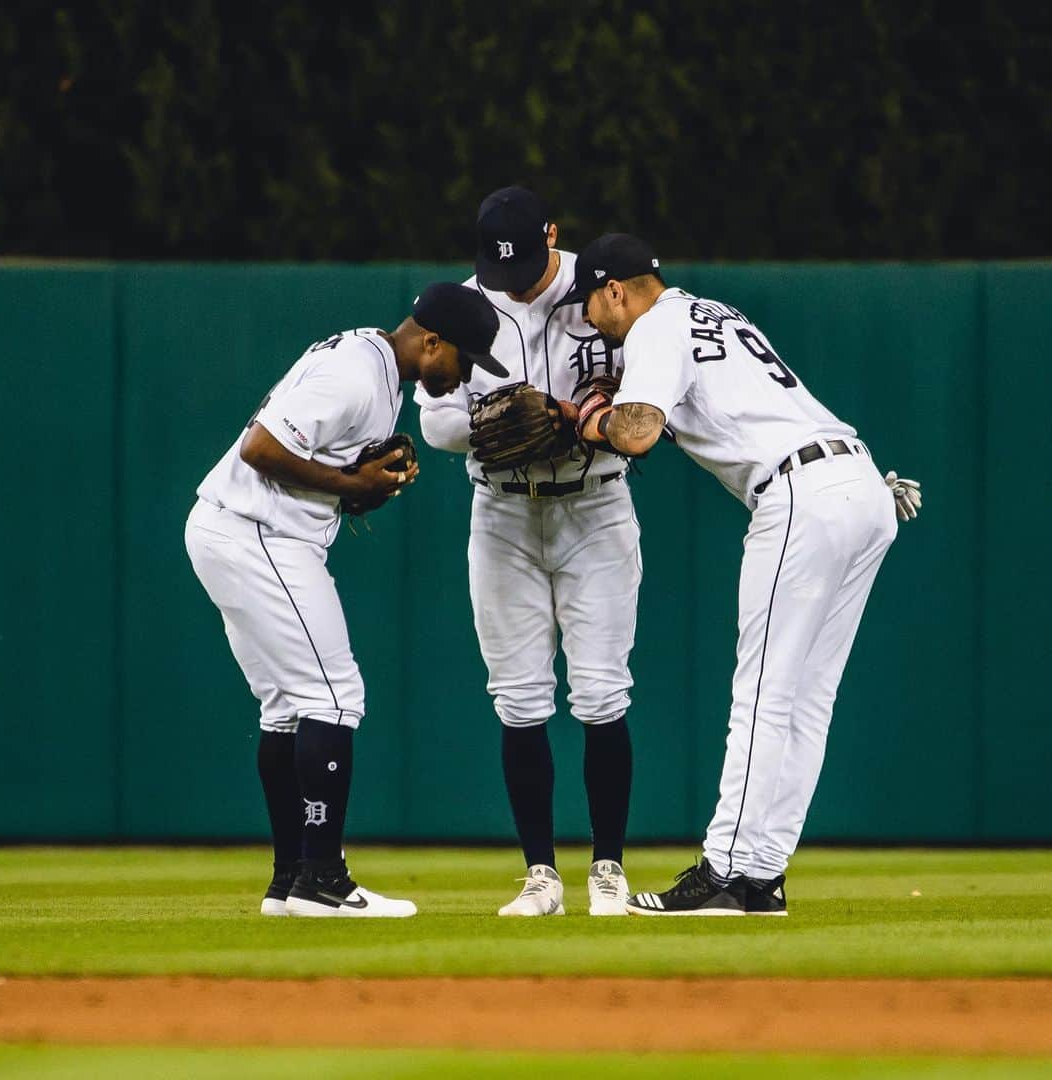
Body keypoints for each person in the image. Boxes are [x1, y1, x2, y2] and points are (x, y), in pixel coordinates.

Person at [564, 233, 921, 916]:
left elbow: (635, 432)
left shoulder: (656, 326)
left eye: (592, 304)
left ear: (616, 289)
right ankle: (761, 873)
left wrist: (588, 421)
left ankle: (725, 870)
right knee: (807, 699)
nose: (590, 319)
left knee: (762, 692)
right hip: (863, 485)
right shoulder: (713, 312)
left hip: (800, 494)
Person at [185, 283, 504, 917]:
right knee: (334, 697)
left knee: (285, 708)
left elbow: (302, 452)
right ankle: (323, 879)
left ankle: (288, 881)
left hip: (235, 530)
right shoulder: (358, 375)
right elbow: (261, 448)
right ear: (431, 340)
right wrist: (346, 481)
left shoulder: (373, 361)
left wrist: (356, 486)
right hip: (259, 533)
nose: (464, 375)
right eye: (463, 360)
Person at [416, 187, 643, 916]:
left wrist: (591, 416)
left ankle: (608, 868)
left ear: (553, 233)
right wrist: (502, 416)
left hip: (597, 504)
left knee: (603, 693)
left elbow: (660, 387)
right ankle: (541, 875)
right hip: (504, 515)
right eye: (496, 263)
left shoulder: (601, 288)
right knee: (518, 700)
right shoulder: (464, 301)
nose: (507, 276)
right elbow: (436, 422)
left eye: (521, 258)